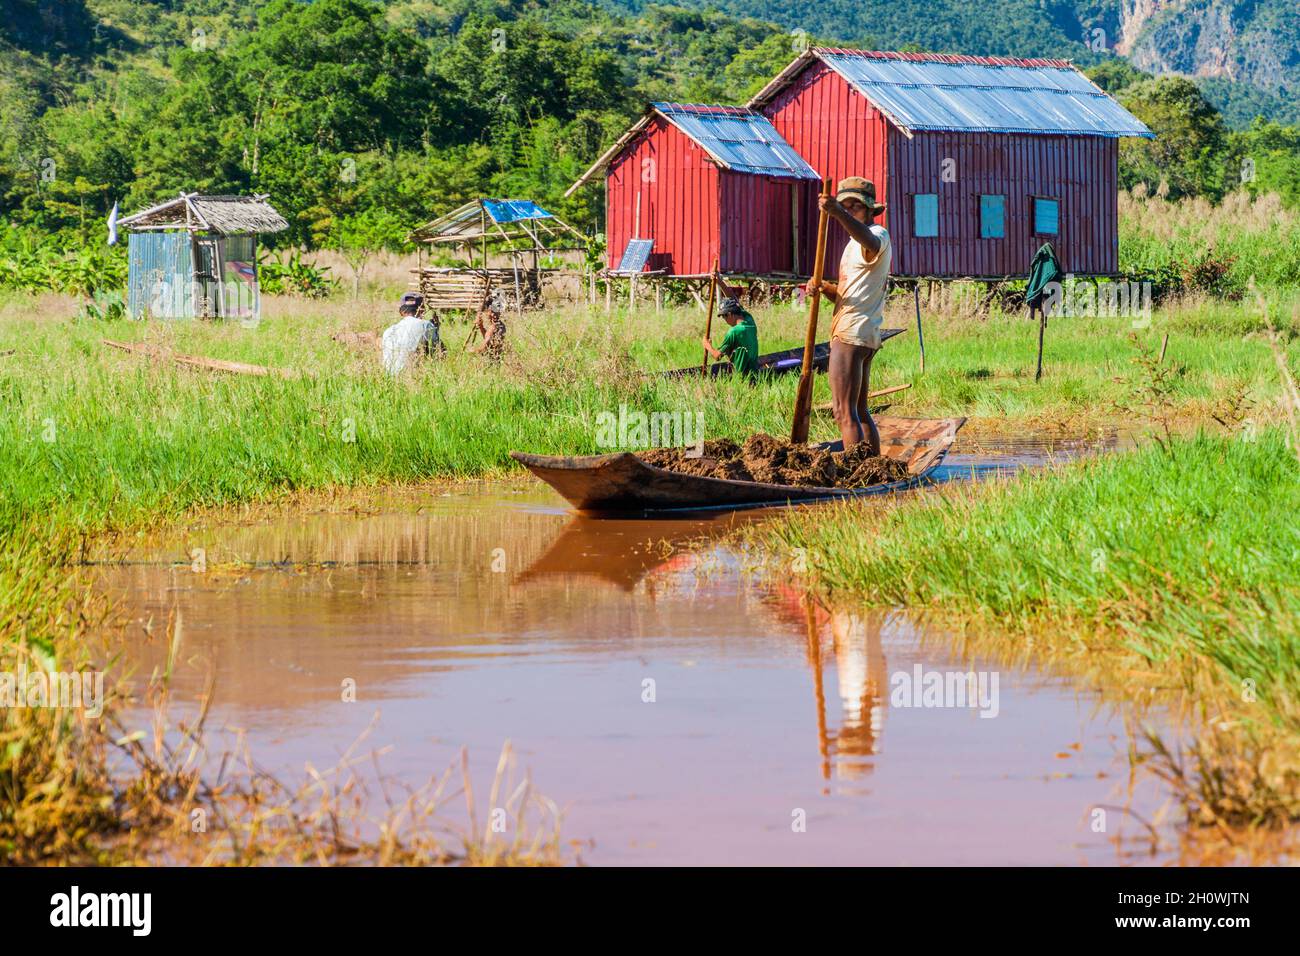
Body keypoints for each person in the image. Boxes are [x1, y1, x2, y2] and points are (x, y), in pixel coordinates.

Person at [809, 177, 891, 453]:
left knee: (843, 412)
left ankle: (856, 471)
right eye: (845, 205)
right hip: (860, 330)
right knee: (858, 408)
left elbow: (867, 238)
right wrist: (823, 288)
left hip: (852, 334)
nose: (849, 210)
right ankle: (874, 466)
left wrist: (837, 212)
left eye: (855, 206)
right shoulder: (853, 244)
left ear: (870, 210)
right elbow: (846, 294)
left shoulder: (876, 235)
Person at [381, 292, 440, 375]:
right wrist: (435, 329)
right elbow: (439, 352)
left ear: (401, 312)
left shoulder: (388, 331)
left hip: (390, 378)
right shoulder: (426, 325)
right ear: (422, 310)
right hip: (412, 377)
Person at [701, 295, 759, 379]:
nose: (724, 320)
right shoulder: (749, 320)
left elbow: (717, 356)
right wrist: (720, 283)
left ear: (729, 314)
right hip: (755, 374)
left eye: (724, 316)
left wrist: (707, 345)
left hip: (741, 377)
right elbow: (734, 299)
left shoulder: (733, 332)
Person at [468, 293, 507, 361]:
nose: (494, 315)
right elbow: (489, 339)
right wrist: (481, 327)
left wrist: (472, 350)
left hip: (491, 361)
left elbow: (484, 349)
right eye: (491, 312)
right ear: (487, 311)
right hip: (496, 360)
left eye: (496, 312)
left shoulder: (494, 327)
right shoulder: (500, 325)